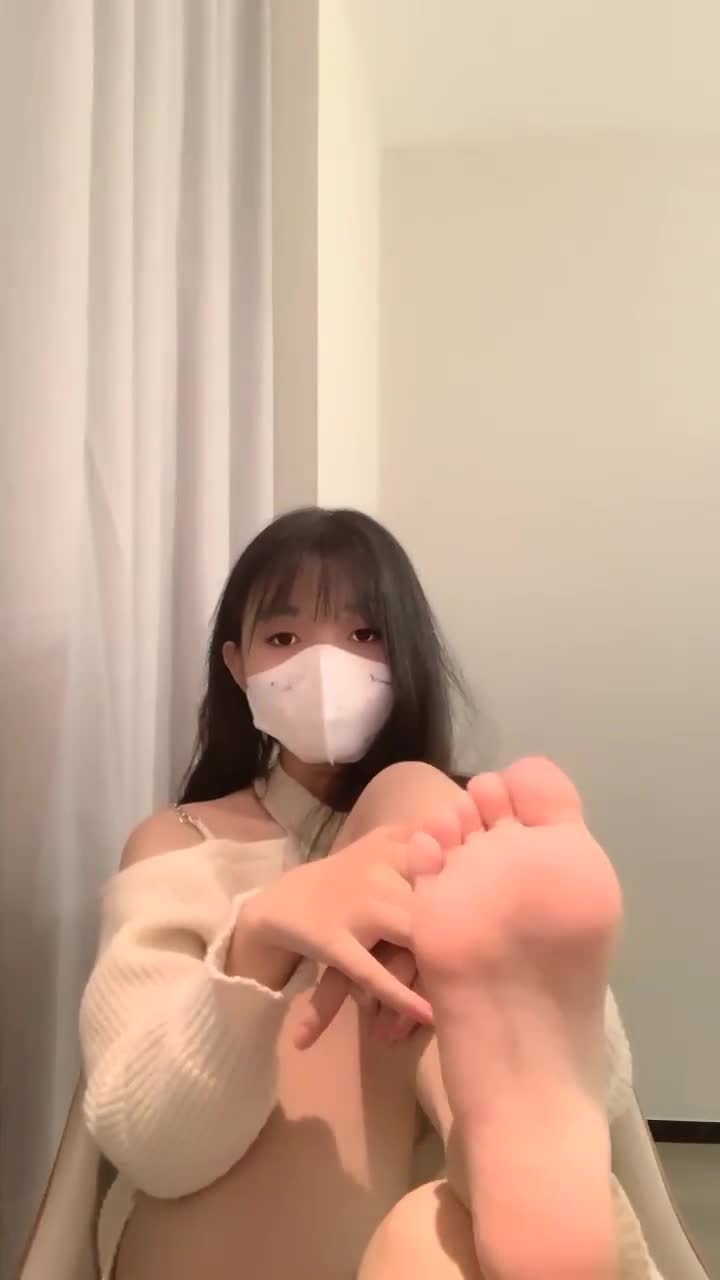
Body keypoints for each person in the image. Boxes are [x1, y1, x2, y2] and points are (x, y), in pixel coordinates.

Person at [80, 507, 657, 1279]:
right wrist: (260, 942)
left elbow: (597, 1095)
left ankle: (489, 1164)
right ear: (237, 666)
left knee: (420, 806)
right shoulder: (181, 843)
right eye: (283, 638)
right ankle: (496, 1172)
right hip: (223, 1229)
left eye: (363, 633)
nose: (325, 663)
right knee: (426, 825)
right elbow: (150, 1146)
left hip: (432, 1230)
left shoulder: (487, 845)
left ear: (406, 651)